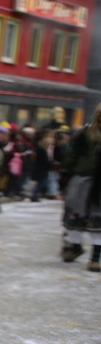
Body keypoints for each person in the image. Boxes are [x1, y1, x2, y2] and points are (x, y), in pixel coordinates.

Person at [60, 102, 101, 271]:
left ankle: (95, 258)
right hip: (81, 180)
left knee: (97, 220)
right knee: (75, 216)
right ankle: (74, 247)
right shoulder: (85, 134)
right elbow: (72, 155)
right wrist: (65, 174)